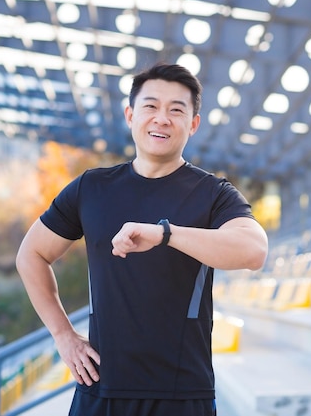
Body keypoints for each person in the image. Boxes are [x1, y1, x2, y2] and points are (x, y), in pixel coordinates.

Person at [16, 62, 269, 416]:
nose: (161, 119)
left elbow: (254, 251)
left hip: (182, 395)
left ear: (193, 124)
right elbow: (31, 255)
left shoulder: (213, 194)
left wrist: (166, 234)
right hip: (99, 390)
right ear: (131, 115)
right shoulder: (92, 188)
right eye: (150, 106)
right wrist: (64, 336)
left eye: (176, 110)